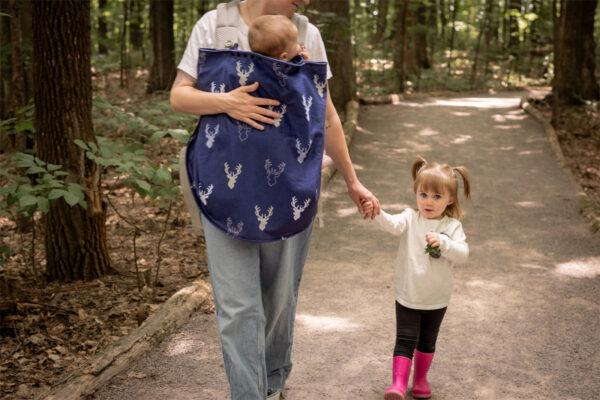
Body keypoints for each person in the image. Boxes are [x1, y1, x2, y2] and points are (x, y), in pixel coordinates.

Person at [170, 1, 380, 399]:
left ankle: (272, 384)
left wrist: (353, 181)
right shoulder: (214, 26)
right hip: (223, 187)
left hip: (291, 187)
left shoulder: (306, 33)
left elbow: (328, 114)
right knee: (237, 307)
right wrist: (228, 101)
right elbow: (179, 97)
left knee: (279, 300)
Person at [362, 156, 471, 400]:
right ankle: (398, 385)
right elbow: (391, 224)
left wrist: (444, 243)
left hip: (436, 298)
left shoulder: (452, 227)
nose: (428, 202)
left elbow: (463, 254)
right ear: (416, 194)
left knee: (427, 341)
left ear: (450, 199)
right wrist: (376, 211)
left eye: (436, 196)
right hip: (408, 294)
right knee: (404, 340)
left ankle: (420, 380)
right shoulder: (410, 218)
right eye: (423, 195)